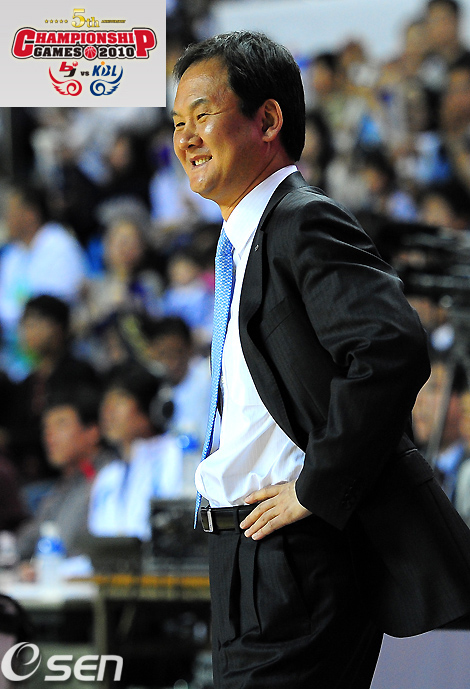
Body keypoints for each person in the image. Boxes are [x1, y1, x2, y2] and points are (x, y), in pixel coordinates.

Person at [172, 30, 470, 689]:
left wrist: (318, 484)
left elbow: (391, 347)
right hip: (244, 555)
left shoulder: (302, 221)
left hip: (295, 558)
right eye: (176, 122)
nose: (185, 137)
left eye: (202, 114)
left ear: (267, 120)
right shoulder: (244, 240)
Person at [88, 361, 183, 540]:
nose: (108, 412)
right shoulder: (107, 476)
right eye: (106, 402)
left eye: (119, 401)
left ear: (151, 406)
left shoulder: (176, 454)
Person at [16, 384, 107, 562]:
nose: (49, 436)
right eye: (46, 428)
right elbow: (27, 541)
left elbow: (68, 544)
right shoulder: (66, 483)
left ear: (92, 431)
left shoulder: (107, 477)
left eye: (61, 424)